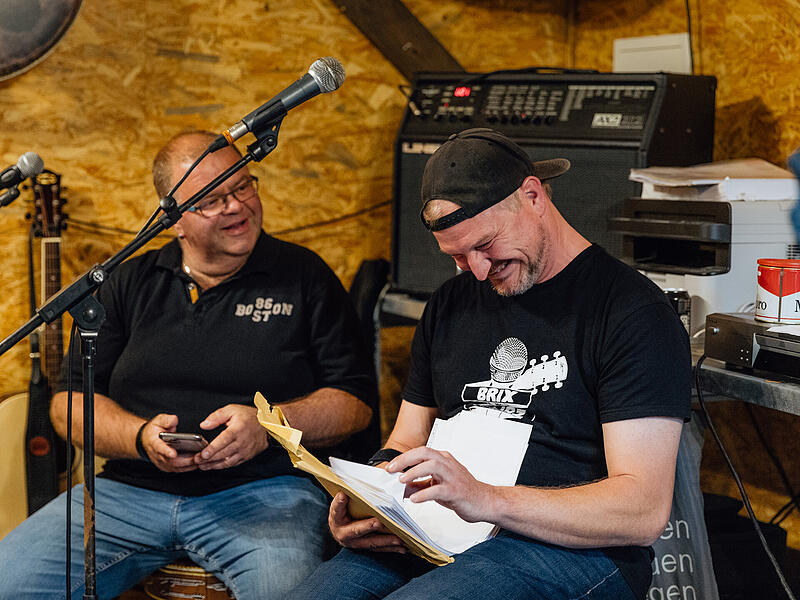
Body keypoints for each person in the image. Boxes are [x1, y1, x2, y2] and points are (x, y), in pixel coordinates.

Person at [290, 128, 691, 600]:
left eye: (485, 245)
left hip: (571, 550)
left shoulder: (631, 312)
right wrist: (365, 501)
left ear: (532, 196)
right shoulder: (451, 303)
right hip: (437, 529)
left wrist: (484, 499)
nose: (478, 271)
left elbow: (642, 511)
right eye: (457, 256)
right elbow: (405, 439)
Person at [0, 130, 377, 599]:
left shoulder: (304, 276)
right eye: (211, 200)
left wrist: (268, 425)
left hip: (268, 494)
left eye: (243, 187)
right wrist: (140, 437)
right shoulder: (129, 281)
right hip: (127, 493)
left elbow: (356, 404)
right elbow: (69, 404)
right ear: (173, 219)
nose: (237, 206)